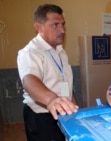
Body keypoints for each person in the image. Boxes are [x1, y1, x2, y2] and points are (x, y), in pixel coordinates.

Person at [17, 4, 79, 141]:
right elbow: (29, 79)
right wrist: (52, 99)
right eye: (55, 25)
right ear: (39, 28)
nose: (62, 30)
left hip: (63, 114)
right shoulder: (30, 52)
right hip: (41, 118)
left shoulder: (60, 52)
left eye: (63, 24)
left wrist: (73, 107)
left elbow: (64, 83)